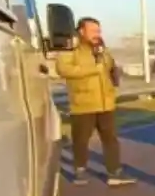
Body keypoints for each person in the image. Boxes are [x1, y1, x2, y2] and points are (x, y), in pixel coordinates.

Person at [56, 17, 136, 186]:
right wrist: (94, 69)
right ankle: (80, 170)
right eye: (92, 31)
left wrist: (114, 78)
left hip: (106, 103)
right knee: (81, 140)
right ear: (81, 31)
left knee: (111, 140)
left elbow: (110, 66)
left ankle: (114, 172)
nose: (97, 34)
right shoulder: (70, 49)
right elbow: (64, 69)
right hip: (83, 103)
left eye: (98, 31)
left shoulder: (102, 50)